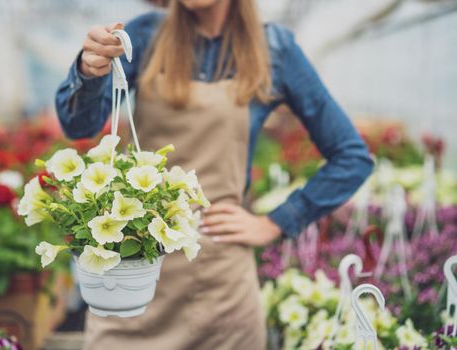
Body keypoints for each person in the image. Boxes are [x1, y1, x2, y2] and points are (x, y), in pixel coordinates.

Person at [55, 0, 373, 348]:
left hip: (219, 288)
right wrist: (90, 72)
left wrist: (276, 221)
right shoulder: (145, 35)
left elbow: (351, 156)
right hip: (131, 271)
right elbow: (79, 124)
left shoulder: (274, 49)